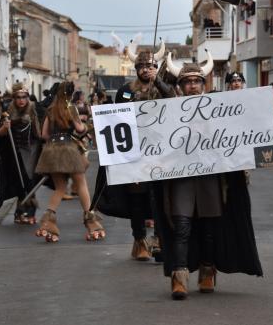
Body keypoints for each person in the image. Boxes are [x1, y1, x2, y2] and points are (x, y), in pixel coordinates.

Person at [158, 52, 263, 300]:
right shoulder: (168, 111)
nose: (192, 85)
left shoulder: (220, 108)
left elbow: (239, 133)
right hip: (181, 177)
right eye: (187, 82)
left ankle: (207, 271)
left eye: (196, 81)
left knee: (209, 228)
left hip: (211, 177)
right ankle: (179, 277)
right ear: (181, 86)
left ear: (203, 84)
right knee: (182, 227)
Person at [93, 41, 174, 261]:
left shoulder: (164, 89)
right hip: (134, 154)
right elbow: (116, 118)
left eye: (150, 66)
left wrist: (159, 81)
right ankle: (139, 239)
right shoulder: (126, 91)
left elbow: (175, 103)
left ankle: (159, 238)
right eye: (142, 66)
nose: (146, 69)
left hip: (161, 153)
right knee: (137, 198)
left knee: (160, 196)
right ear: (136, 68)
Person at [35, 81, 103, 242]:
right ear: (71, 94)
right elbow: (80, 129)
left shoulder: (50, 110)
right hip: (68, 148)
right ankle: (91, 221)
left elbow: (44, 134)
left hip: (51, 150)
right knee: (81, 185)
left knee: (60, 188)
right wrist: (86, 127)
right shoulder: (70, 107)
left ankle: (47, 221)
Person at [0, 82, 42, 224]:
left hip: (31, 152)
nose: (21, 100)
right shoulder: (7, 112)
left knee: (31, 183)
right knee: (21, 184)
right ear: (14, 98)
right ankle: (21, 212)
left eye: (24, 97)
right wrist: (5, 126)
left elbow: (38, 132)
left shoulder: (33, 109)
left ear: (27, 97)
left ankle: (27, 212)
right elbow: (0, 134)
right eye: (18, 97)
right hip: (14, 153)